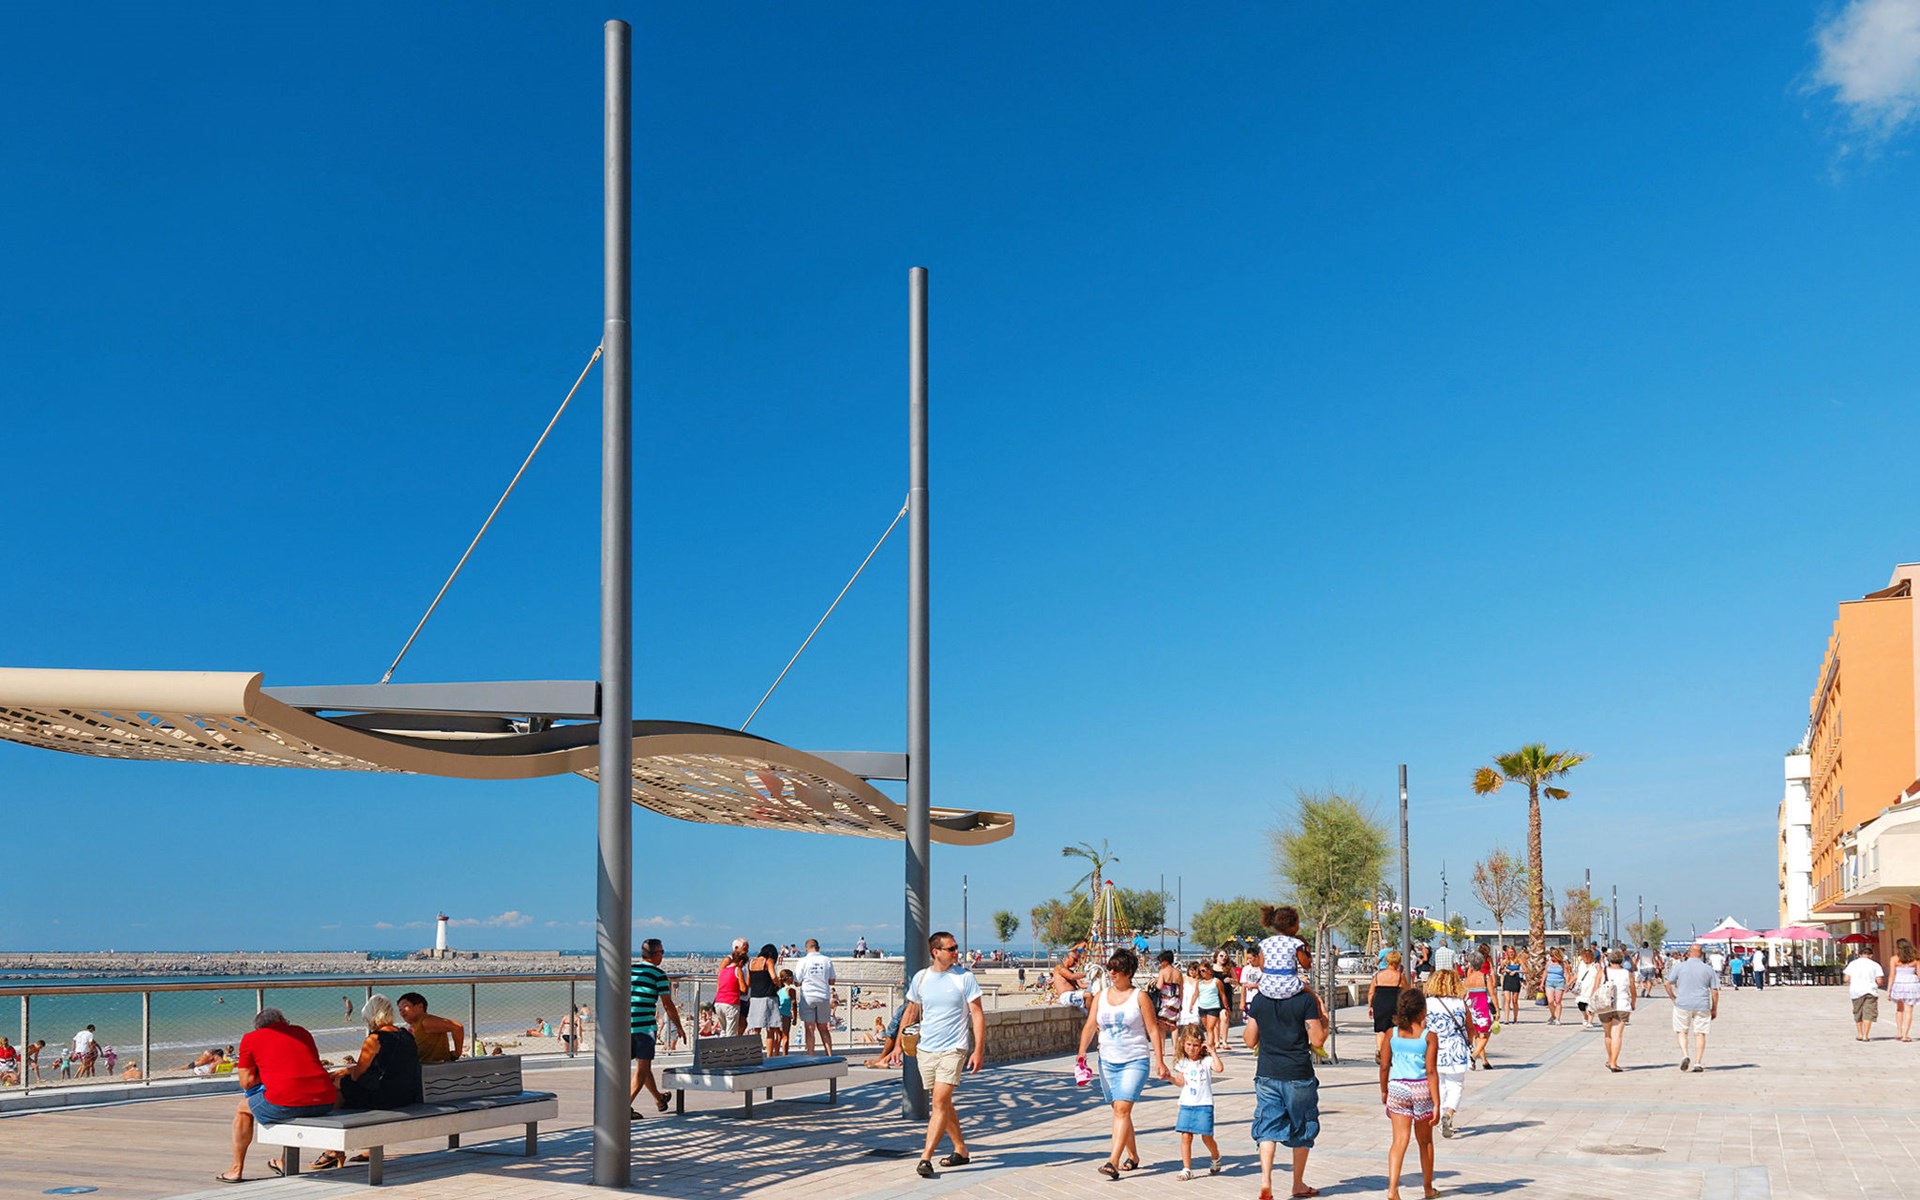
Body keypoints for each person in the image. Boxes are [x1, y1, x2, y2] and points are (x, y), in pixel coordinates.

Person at [1076, 947, 1172, 1180]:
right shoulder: (1101, 996)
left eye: (1116, 970)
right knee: (1120, 1111)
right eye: (1110, 969)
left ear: (1128, 972)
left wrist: (1160, 1060)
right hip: (1107, 1061)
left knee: (1122, 1109)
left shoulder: (1140, 997)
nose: (1111, 973)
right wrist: (1081, 1054)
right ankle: (1134, 1156)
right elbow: (1090, 1026)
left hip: (1134, 1060)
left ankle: (1113, 1161)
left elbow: (1153, 1030)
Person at [900, 930, 986, 1179]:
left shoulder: (964, 978)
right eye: (951, 948)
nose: (957, 952)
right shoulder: (921, 978)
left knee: (938, 1101)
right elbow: (911, 1012)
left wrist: (978, 1049)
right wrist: (896, 1046)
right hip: (926, 1050)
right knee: (943, 1103)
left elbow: (977, 1014)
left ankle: (925, 1158)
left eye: (956, 947)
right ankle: (961, 1150)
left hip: (953, 1049)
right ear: (936, 952)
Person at [1244, 952, 1329, 1200]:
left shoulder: (1260, 1000)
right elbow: (1317, 1040)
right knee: (1302, 1127)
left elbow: (1249, 1040)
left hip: (1267, 1072)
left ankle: (1265, 1182)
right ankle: (1297, 1184)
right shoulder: (1304, 1000)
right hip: (1298, 1073)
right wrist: (1322, 1011)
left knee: (1267, 1127)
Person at [217, 1008, 335, 1184]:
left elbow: (246, 1082)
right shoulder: (301, 1032)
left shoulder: (250, 1039)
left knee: (243, 1108)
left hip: (289, 1101)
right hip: (325, 1099)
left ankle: (236, 1169)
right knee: (292, 1102)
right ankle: (284, 1161)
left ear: (258, 1026)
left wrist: (264, 1072)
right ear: (281, 1019)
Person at [308, 994, 423, 1171]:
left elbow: (357, 1075)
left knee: (336, 1085)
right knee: (343, 1083)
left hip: (383, 1097)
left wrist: (344, 1073)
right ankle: (367, 1148)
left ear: (372, 1016)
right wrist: (347, 1071)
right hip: (406, 1095)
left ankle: (334, 1149)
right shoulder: (406, 1035)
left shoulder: (375, 1039)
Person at [1380, 988, 1440, 1200]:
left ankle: (1392, 1189)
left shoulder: (1391, 1034)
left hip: (1398, 1087)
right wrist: (1437, 1103)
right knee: (1425, 1141)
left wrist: (1384, 1090)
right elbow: (1431, 1071)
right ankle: (1428, 1188)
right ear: (1422, 1011)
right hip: (1421, 1088)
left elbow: (1384, 1066)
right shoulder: (1428, 1037)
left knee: (1399, 1141)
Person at [629, 937, 687, 1116]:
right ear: (656, 954)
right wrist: (679, 1026)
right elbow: (667, 1004)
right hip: (645, 1028)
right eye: (662, 951)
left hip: (625, 1026)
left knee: (643, 1065)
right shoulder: (659, 974)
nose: (663, 955)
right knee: (643, 1068)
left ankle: (659, 1100)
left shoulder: (630, 970)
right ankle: (623, 1107)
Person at [1172, 1026, 1225, 1180]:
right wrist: (1169, 1077)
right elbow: (1180, 1082)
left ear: (1201, 1045)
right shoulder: (1182, 1062)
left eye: (1195, 1045)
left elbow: (1219, 1068)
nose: (1192, 1048)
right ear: (1183, 1044)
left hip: (1204, 1104)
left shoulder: (1206, 1061)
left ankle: (1215, 1156)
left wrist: (1212, 1051)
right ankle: (1186, 1168)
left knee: (1206, 1136)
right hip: (1187, 1104)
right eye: (1189, 1044)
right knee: (1186, 1136)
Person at [1424, 969, 1471, 1139]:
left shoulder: (1428, 1003)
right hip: (1456, 1049)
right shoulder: (1460, 1004)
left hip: (1434, 1048)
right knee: (1456, 1084)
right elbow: (1470, 1027)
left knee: (1440, 1084)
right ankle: (1448, 1114)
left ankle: (1441, 1114)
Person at [1662, 944, 1718, 1073]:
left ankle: (1685, 1054)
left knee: (1682, 1031)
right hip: (1702, 1004)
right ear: (1701, 954)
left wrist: (1673, 997)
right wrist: (1714, 1008)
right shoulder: (1708, 969)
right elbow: (1714, 991)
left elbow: (1666, 982)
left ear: (1688, 953)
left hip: (1682, 1003)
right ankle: (1698, 1063)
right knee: (1700, 1033)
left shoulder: (1679, 967)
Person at [1256, 904, 1313, 1001]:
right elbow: (1307, 965)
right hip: (1290, 988)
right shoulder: (1295, 943)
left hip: (1267, 989)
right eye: (1298, 924)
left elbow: (1262, 967)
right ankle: (1320, 1007)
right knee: (1315, 999)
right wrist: (1306, 947)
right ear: (1291, 925)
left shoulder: (1264, 943)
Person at [793, 938, 838, 1055]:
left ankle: (810, 1055)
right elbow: (832, 981)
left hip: (808, 996)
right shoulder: (827, 960)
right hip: (823, 996)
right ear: (818, 948)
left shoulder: (802, 961)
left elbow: (796, 982)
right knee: (823, 1028)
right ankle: (829, 1055)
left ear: (806, 948)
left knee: (809, 1028)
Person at [1594, 949, 1636, 1071]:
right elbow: (1633, 991)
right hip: (1622, 1005)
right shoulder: (1628, 974)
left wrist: (1591, 1005)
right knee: (1617, 1035)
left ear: (1609, 960)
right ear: (1622, 960)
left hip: (1605, 1006)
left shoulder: (1603, 972)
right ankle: (1613, 1062)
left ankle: (1610, 1059)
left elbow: (1595, 989)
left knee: (1608, 1034)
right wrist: (1633, 1003)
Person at [395, 993, 465, 1064]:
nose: (402, 1011)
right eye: (400, 1009)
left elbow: (457, 1027)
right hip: (422, 1066)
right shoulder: (413, 1025)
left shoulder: (426, 1021)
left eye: (405, 1006)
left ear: (420, 1006)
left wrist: (457, 1053)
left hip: (434, 1067)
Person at [1369, 950, 1407, 1067]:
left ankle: (1379, 1050)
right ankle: (1390, 1053)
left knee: (1380, 1030)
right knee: (1394, 1029)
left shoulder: (1378, 976)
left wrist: (1370, 1006)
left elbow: (1371, 993)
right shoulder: (1399, 976)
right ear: (1398, 962)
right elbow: (1407, 991)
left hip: (1379, 1003)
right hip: (1394, 1004)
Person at [745, 943, 783, 1056]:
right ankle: (769, 1056)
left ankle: (754, 1054)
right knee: (770, 1029)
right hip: (768, 997)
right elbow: (773, 976)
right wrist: (778, 984)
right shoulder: (768, 961)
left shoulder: (751, 962)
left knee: (755, 1029)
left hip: (755, 998)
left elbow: (748, 983)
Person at [1461, 949, 1494, 1069]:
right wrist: (1497, 1009)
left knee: (1477, 1035)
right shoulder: (1485, 976)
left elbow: (1463, 994)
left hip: (1471, 1007)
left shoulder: (1468, 978)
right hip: (1482, 1007)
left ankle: (1483, 1061)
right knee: (1485, 1033)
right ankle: (1473, 1056)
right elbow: (1493, 994)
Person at [1845, 945, 1886, 1042]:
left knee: (1858, 1012)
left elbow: (1846, 979)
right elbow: (1879, 981)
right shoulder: (1875, 965)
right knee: (1868, 1013)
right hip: (1870, 991)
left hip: (1856, 991)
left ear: (1860, 955)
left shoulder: (1852, 964)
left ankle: (1859, 1033)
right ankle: (1865, 1035)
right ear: (1871, 955)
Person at [1152, 950, 1185, 1056]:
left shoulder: (1163, 971)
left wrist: (1154, 982)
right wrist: (1181, 1003)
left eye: (1161, 961)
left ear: (1165, 961)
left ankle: (1162, 1050)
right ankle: (1175, 1049)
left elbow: (1159, 986)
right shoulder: (1178, 973)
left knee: (1161, 1025)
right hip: (1175, 1000)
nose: (1160, 963)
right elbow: (1181, 989)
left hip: (1165, 1000)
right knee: (1173, 1025)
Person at [714, 939, 749, 1036]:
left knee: (724, 1030)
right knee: (731, 1031)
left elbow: (720, 980)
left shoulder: (725, 969)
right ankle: (730, 1046)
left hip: (720, 1000)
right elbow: (743, 989)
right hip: (732, 1001)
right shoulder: (736, 969)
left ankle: (723, 1046)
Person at [1890, 938, 1920, 1042]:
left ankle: (1899, 1032)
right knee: (1909, 1010)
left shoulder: (1894, 959)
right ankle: (1905, 1035)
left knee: (1899, 1009)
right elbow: (1919, 974)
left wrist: (1889, 990)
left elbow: (1892, 975)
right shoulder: (1916, 959)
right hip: (1912, 985)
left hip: (1899, 985)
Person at [1194, 961, 1226, 1053]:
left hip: (1213, 1006)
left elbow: (1222, 994)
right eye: (1200, 971)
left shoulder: (1217, 981)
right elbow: (1196, 994)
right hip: (1202, 1007)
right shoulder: (1199, 983)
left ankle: (1210, 1048)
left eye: (1203, 970)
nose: (1202, 973)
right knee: (1207, 1028)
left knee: (1210, 1028)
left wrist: (1226, 1007)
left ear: (1209, 970)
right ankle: (1212, 1046)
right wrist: (1191, 1005)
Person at [1572, 948, 1600, 1029]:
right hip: (1581, 988)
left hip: (1592, 987)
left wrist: (1597, 987)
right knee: (1581, 1006)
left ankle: (1590, 1021)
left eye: (1586, 957)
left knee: (1590, 1005)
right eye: (1583, 957)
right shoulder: (1581, 964)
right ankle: (1585, 1017)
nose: (1584, 959)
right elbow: (1576, 975)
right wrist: (1569, 983)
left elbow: (1600, 976)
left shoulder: (1596, 965)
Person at [1496, 947, 1523, 1023]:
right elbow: (1500, 971)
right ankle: (1506, 1019)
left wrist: (1516, 971)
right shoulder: (1505, 961)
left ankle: (1515, 1018)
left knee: (1514, 1001)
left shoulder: (1519, 961)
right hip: (1507, 980)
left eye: (1512, 952)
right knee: (1507, 1000)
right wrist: (1505, 970)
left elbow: (1526, 970)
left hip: (1516, 980)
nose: (1511, 954)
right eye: (1509, 952)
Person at [774, 969, 797, 1056]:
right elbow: (794, 1003)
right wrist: (795, 1017)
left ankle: (776, 1054)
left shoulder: (778, 990)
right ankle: (785, 1055)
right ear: (788, 978)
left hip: (777, 1014)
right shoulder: (790, 990)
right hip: (785, 1014)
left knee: (778, 1036)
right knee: (785, 1036)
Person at [1543, 949, 1568, 1025]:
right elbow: (1545, 972)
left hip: (1559, 983)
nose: (1552, 958)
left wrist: (1567, 984)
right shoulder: (1549, 963)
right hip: (1549, 982)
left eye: (1553, 956)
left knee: (1558, 1001)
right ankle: (1553, 1015)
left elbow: (1566, 974)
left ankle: (1558, 1018)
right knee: (1550, 1001)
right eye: (1551, 956)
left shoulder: (1563, 964)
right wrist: (1542, 982)